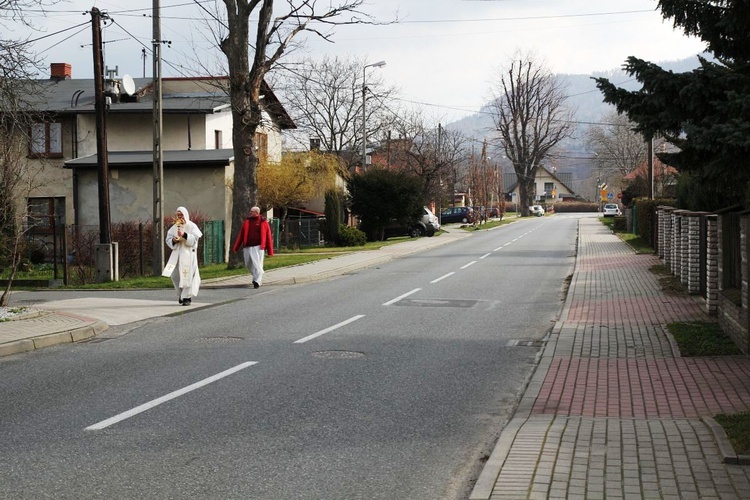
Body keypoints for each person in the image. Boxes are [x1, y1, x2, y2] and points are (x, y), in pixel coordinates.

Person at [162, 206, 202, 305]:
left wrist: (184, 235)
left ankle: (187, 298)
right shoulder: (174, 227)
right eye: (178, 215)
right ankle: (181, 295)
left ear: (185, 215)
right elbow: (168, 239)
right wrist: (173, 240)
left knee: (188, 276)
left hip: (189, 255)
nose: (180, 217)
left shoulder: (192, 226)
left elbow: (194, 240)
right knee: (175, 275)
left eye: (181, 215)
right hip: (177, 255)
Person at [232, 206, 274, 288]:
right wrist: (236, 247)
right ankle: (256, 277)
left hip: (258, 247)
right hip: (247, 246)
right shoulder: (247, 221)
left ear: (257, 212)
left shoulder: (263, 222)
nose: (250, 212)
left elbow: (268, 237)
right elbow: (241, 234)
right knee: (248, 264)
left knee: (258, 264)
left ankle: (257, 281)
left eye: (252, 211)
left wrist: (270, 251)